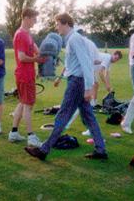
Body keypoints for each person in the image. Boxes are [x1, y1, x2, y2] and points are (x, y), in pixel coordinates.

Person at [25, 13, 108, 160]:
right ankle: (101, 150)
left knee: (62, 115)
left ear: (65, 24)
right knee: (89, 117)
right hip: (77, 80)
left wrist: (88, 88)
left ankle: (44, 150)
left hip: (77, 82)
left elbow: (86, 63)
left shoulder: (75, 39)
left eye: (57, 24)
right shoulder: (72, 39)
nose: (56, 27)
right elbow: (77, 62)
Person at [8, 8, 46, 147]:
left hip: (26, 74)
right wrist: (37, 59)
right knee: (28, 106)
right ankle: (31, 136)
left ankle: (13, 133)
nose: (36, 21)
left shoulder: (27, 34)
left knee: (23, 103)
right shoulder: (21, 35)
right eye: (34, 18)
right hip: (25, 75)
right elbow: (22, 57)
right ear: (26, 18)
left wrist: (44, 54)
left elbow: (36, 48)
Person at [81, 50, 122, 136]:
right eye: (115, 57)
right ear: (113, 54)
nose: (115, 60)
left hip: (90, 68)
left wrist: (109, 86)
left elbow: (106, 74)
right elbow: (100, 72)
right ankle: (91, 104)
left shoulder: (109, 62)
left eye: (117, 59)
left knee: (96, 85)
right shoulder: (107, 58)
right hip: (87, 67)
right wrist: (106, 85)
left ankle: (93, 103)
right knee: (94, 85)